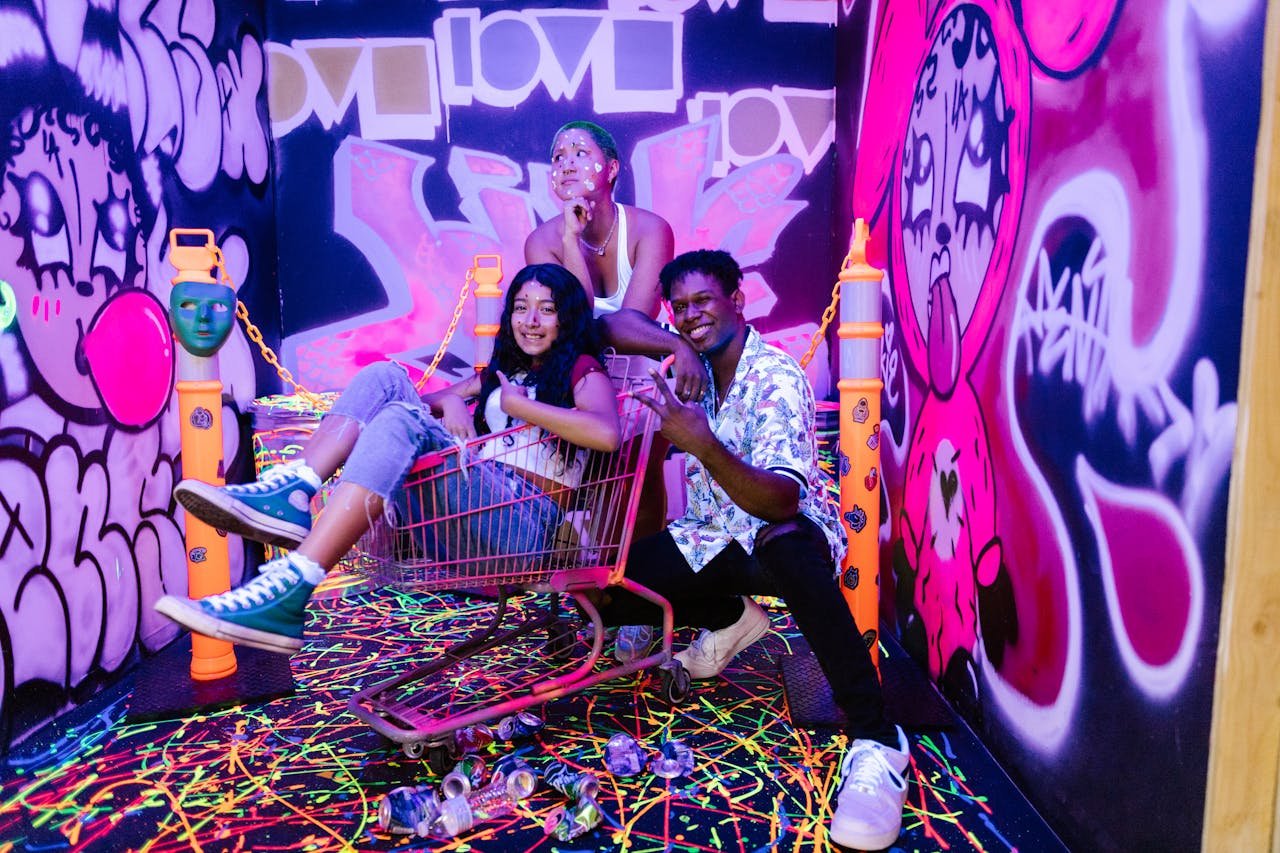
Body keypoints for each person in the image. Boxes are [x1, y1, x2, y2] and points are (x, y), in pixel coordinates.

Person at [602, 250, 910, 850]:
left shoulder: (774, 377)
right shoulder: (689, 368)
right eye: (680, 307)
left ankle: (877, 740)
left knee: (787, 545)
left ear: (737, 302)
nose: (692, 316)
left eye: (704, 303)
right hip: (713, 536)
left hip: (783, 536)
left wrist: (701, 441)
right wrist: (677, 344)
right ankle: (730, 618)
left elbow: (780, 503)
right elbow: (601, 326)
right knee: (606, 597)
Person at [155, 263, 621, 654]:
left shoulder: (581, 369)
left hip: (525, 526)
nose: (531, 320)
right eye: (521, 307)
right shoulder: (502, 373)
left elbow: (606, 434)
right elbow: (435, 400)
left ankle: (293, 586)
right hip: (477, 507)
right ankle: (295, 488)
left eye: (547, 309)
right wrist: (459, 402)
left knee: (402, 418)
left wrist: (520, 406)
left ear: (567, 319)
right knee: (384, 377)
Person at [525, 119, 703, 664]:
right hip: (577, 378)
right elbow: (576, 326)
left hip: (641, 376)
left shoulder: (650, 229)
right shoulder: (541, 240)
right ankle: (601, 596)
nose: (568, 161)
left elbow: (632, 322)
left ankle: (635, 603)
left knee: (637, 470)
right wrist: (570, 240)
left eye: (581, 150)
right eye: (558, 153)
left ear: (612, 169)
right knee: (583, 480)